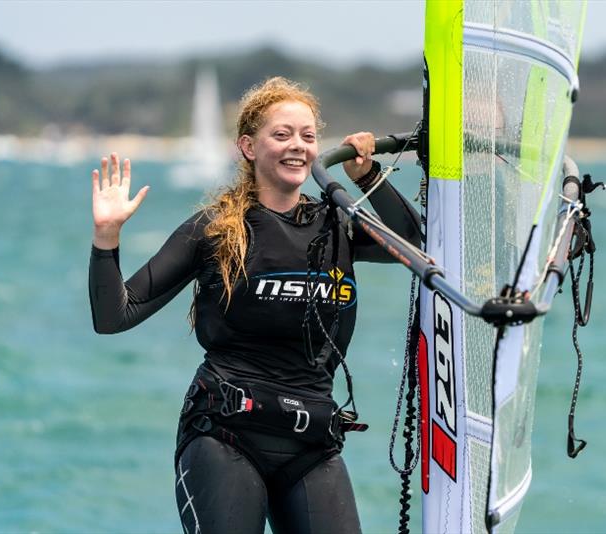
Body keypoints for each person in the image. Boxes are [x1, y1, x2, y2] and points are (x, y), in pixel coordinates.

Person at [88, 77, 421, 534]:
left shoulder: (338, 224)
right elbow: (115, 316)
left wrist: (367, 177)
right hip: (225, 436)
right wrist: (106, 237)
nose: (297, 146)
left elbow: (417, 245)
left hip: (312, 443)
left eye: (307, 136)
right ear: (248, 146)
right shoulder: (213, 230)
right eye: (281, 135)